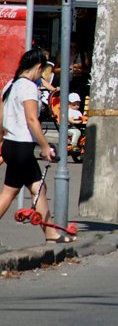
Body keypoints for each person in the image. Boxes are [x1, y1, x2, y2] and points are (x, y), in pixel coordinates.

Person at [0, 49, 71, 244]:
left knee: (36, 188)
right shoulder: (28, 87)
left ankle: (50, 233)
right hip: (23, 146)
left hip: (10, 144)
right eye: (42, 72)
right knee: (16, 192)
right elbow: (32, 120)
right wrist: (46, 146)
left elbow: (1, 117)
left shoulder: (10, 85)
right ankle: (51, 234)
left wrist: (1, 140)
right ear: (39, 67)